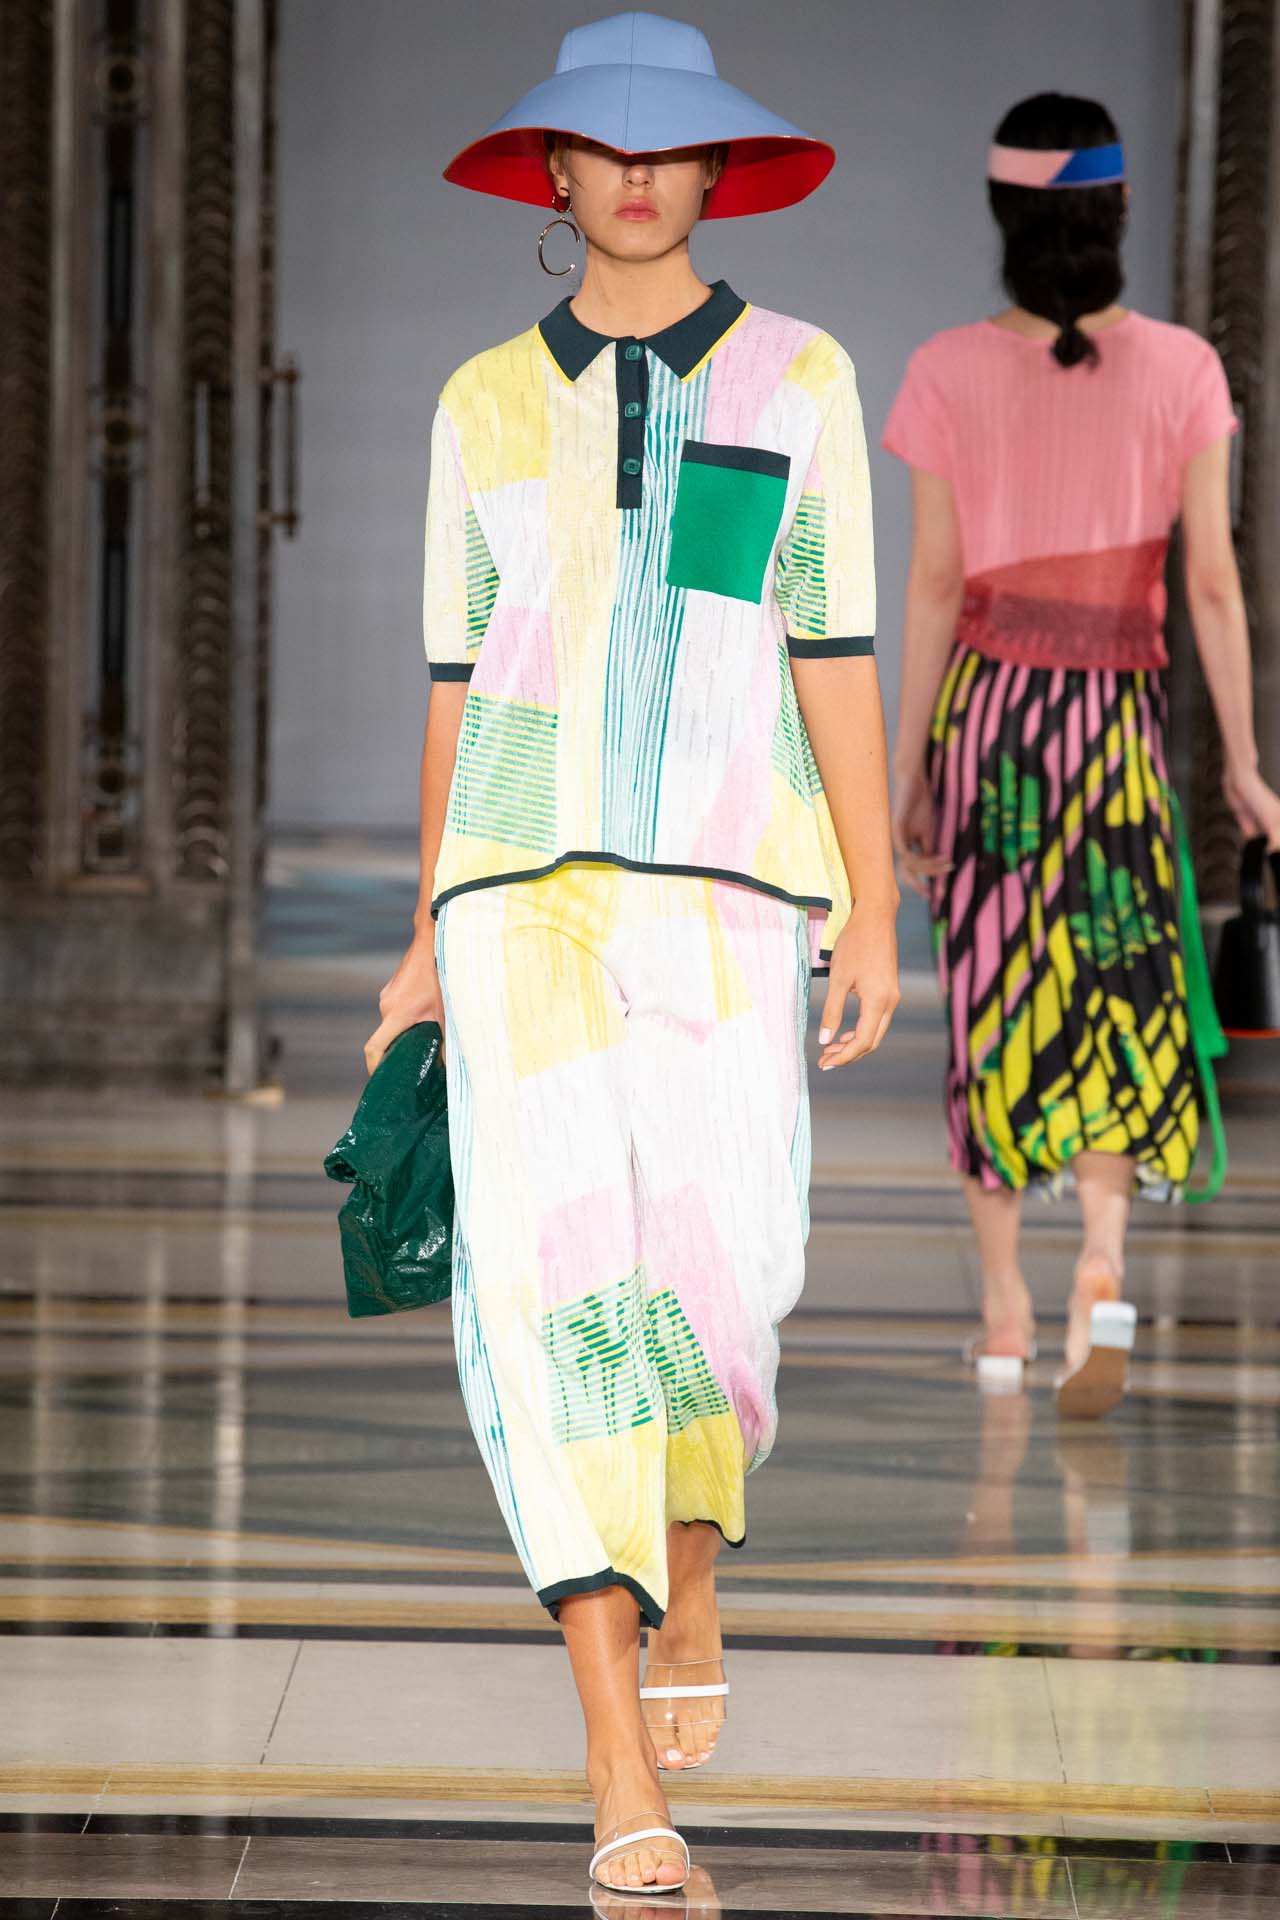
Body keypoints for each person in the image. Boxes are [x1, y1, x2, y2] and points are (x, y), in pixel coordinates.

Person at [365, 11, 899, 1894]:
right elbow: (455, 680)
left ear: (714, 170)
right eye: (608, 143)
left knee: (726, 1289)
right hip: (521, 890)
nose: (642, 172)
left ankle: (691, 1562)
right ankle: (615, 1767)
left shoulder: (802, 376)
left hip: (734, 888)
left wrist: (875, 898)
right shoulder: (477, 404)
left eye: (674, 144)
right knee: (555, 1298)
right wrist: (424, 929)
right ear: (558, 173)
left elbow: (830, 642)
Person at [884, 94, 1280, 1419]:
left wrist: (904, 768)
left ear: (1003, 212)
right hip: (1113, 730)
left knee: (995, 993)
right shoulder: (1185, 370)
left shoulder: (944, 370)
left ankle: (1003, 1305)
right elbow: (1212, 584)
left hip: (992, 726)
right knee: (1119, 982)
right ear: (1117, 211)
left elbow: (935, 585)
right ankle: (1099, 1262)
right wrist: (1245, 767)